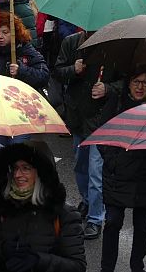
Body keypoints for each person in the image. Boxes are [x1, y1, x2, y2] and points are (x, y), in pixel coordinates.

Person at [92, 66, 146, 272]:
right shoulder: (117, 103)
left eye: (145, 82)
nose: (140, 87)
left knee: (143, 227)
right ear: (128, 83)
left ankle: (136, 265)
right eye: (136, 81)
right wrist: (113, 161)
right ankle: (107, 267)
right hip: (117, 175)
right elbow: (102, 135)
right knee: (113, 222)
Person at [0, 141, 86, 272]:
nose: (17, 175)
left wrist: (39, 261)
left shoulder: (64, 214)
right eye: (15, 168)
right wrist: (1, 250)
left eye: (26, 168)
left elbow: (77, 266)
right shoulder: (3, 209)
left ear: (41, 173)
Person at [53, 29, 106, 240]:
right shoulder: (71, 42)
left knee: (96, 172)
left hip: (100, 120)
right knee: (80, 166)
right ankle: (86, 200)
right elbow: (57, 71)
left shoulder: (111, 47)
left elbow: (123, 80)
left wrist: (108, 88)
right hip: (77, 118)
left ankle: (95, 218)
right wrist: (72, 70)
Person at [0, 11, 48, 90]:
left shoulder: (25, 50)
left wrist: (21, 71)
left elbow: (43, 76)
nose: (0, 36)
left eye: (5, 32)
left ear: (15, 33)